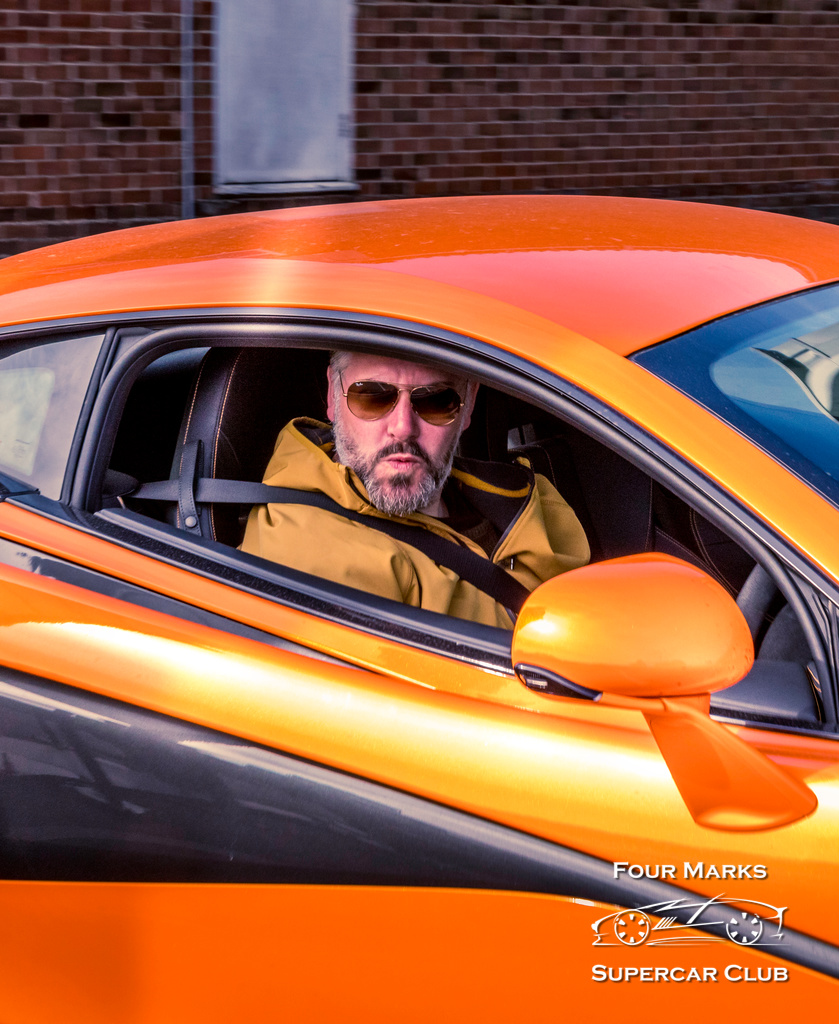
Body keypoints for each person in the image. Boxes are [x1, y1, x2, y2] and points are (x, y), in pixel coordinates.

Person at [240, 350, 589, 628]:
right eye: (373, 396)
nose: (404, 427)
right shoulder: (308, 549)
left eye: (436, 400)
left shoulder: (525, 494)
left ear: (468, 402)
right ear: (333, 394)